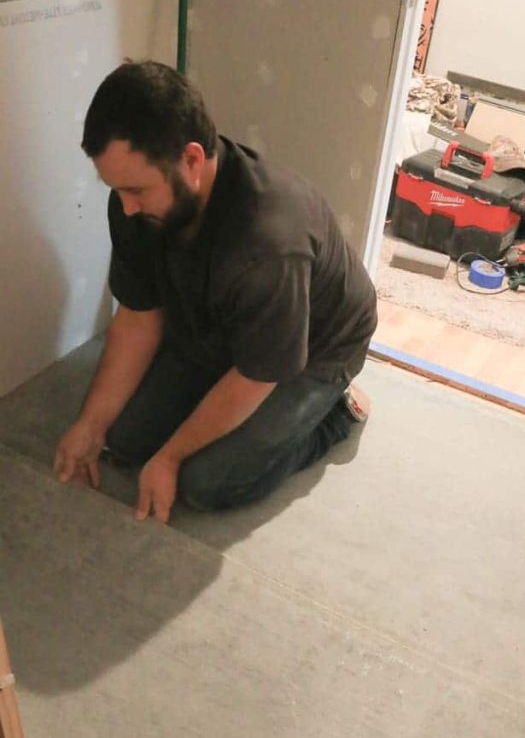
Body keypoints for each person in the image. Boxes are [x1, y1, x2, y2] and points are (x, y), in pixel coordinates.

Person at [53, 60, 377, 524]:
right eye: (116, 189)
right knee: (121, 440)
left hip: (312, 348)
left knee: (207, 483)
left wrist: (169, 459)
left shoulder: (268, 242)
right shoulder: (135, 205)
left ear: (190, 160)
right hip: (219, 325)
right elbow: (140, 317)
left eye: (137, 190)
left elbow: (257, 374)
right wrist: (90, 425)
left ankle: (334, 415)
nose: (125, 207)